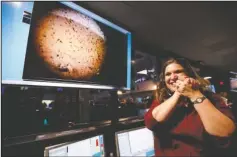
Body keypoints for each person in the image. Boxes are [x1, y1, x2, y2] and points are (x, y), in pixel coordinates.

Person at [144, 58, 236, 156]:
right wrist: (178, 93)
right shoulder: (161, 100)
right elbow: (151, 122)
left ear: (189, 75)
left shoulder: (211, 98)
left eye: (178, 72)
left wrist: (194, 94)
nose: (173, 77)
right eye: (168, 74)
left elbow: (225, 131)